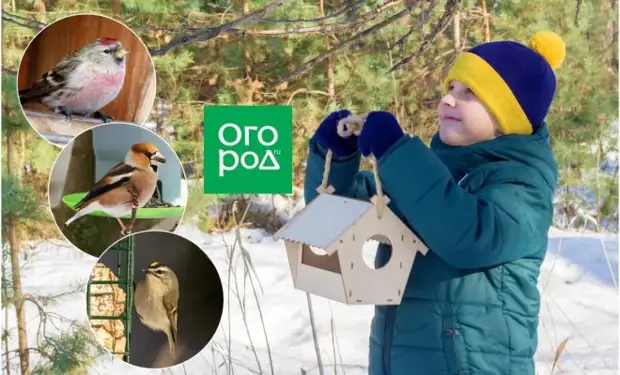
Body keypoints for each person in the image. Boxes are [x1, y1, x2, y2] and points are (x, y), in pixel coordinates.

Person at [303, 30, 565, 375]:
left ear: (509, 117)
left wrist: (398, 154)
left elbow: (469, 236)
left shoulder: (521, 183)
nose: (448, 100)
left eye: (470, 92)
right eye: (450, 88)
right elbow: (333, 218)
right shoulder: (427, 176)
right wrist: (335, 161)